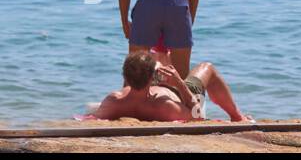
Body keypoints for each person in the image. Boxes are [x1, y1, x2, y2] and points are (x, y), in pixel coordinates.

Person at [93, 51, 249, 122]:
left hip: (146, 90)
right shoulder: (164, 106)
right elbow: (198, 115)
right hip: (181, 94)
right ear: (151, 79)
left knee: (159, 61)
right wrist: (179, 83)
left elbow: (95, 116)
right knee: (207, 68)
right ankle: (237, 116)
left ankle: (162, 60)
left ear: (125, 77)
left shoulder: (113, 101)